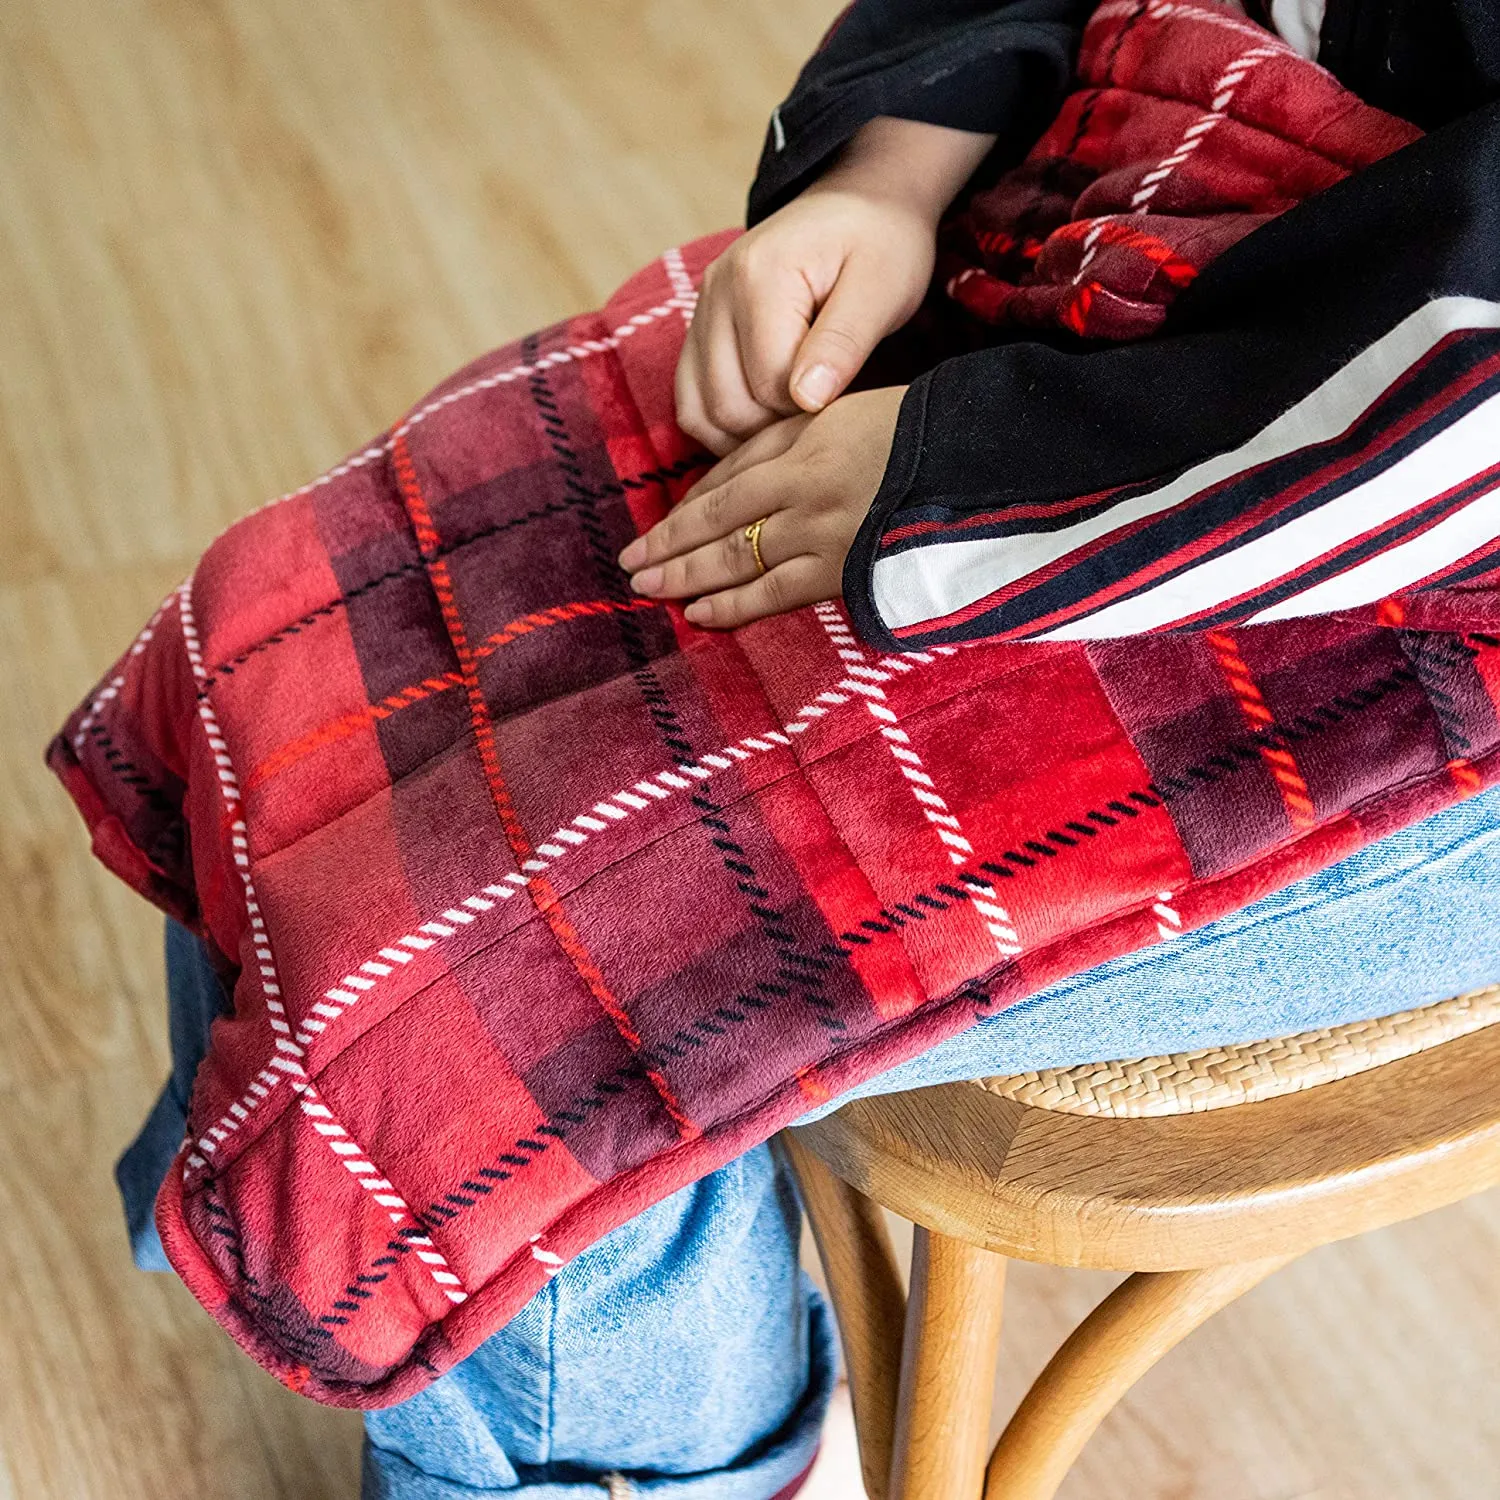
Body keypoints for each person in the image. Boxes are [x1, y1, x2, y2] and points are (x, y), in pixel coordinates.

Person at [115, 1, 1500, 1494]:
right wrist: (890, 170)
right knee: (298, 616)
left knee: (504, 1024)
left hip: (1396, 528)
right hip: (1142, 229)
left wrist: (967, 487)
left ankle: (646, 1468)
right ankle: (297, 1210)